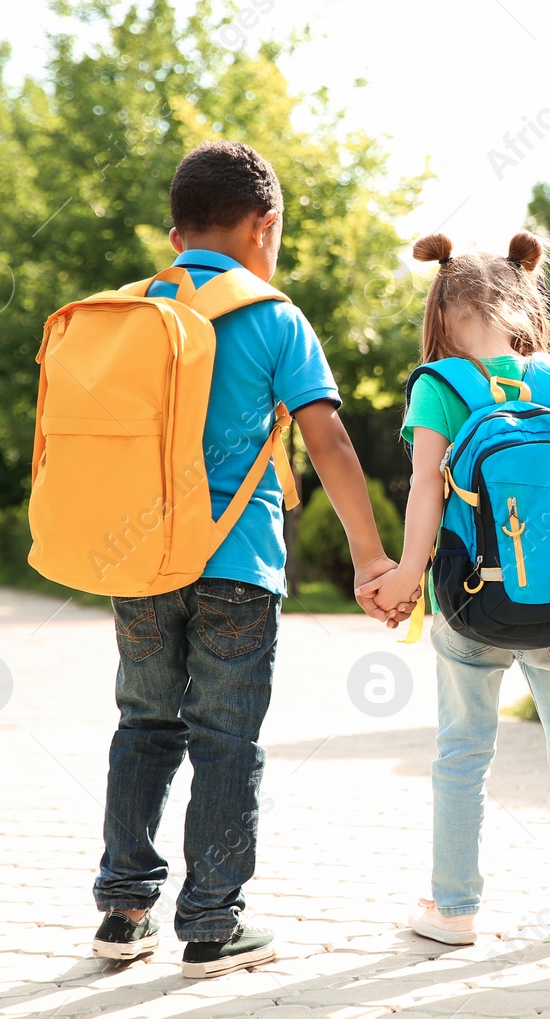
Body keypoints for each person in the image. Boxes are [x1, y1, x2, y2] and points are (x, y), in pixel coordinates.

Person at [90, 141, 404, 977]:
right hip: (238, 566)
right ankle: (211, 924)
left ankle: (122, 909)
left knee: (143, 725)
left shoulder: (132, 311)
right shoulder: (272, 316)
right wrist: (371, 557)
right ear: (266, 225)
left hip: (142, 564)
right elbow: (328, 439)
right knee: (227, 738)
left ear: (174, 234)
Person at [362, 231, 550, 944]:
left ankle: (454, 907)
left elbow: (424, 492)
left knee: (463, 750)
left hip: (471, 602)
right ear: (523, 301)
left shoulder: (439, 385)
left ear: (441, 312)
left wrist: (408, 575)